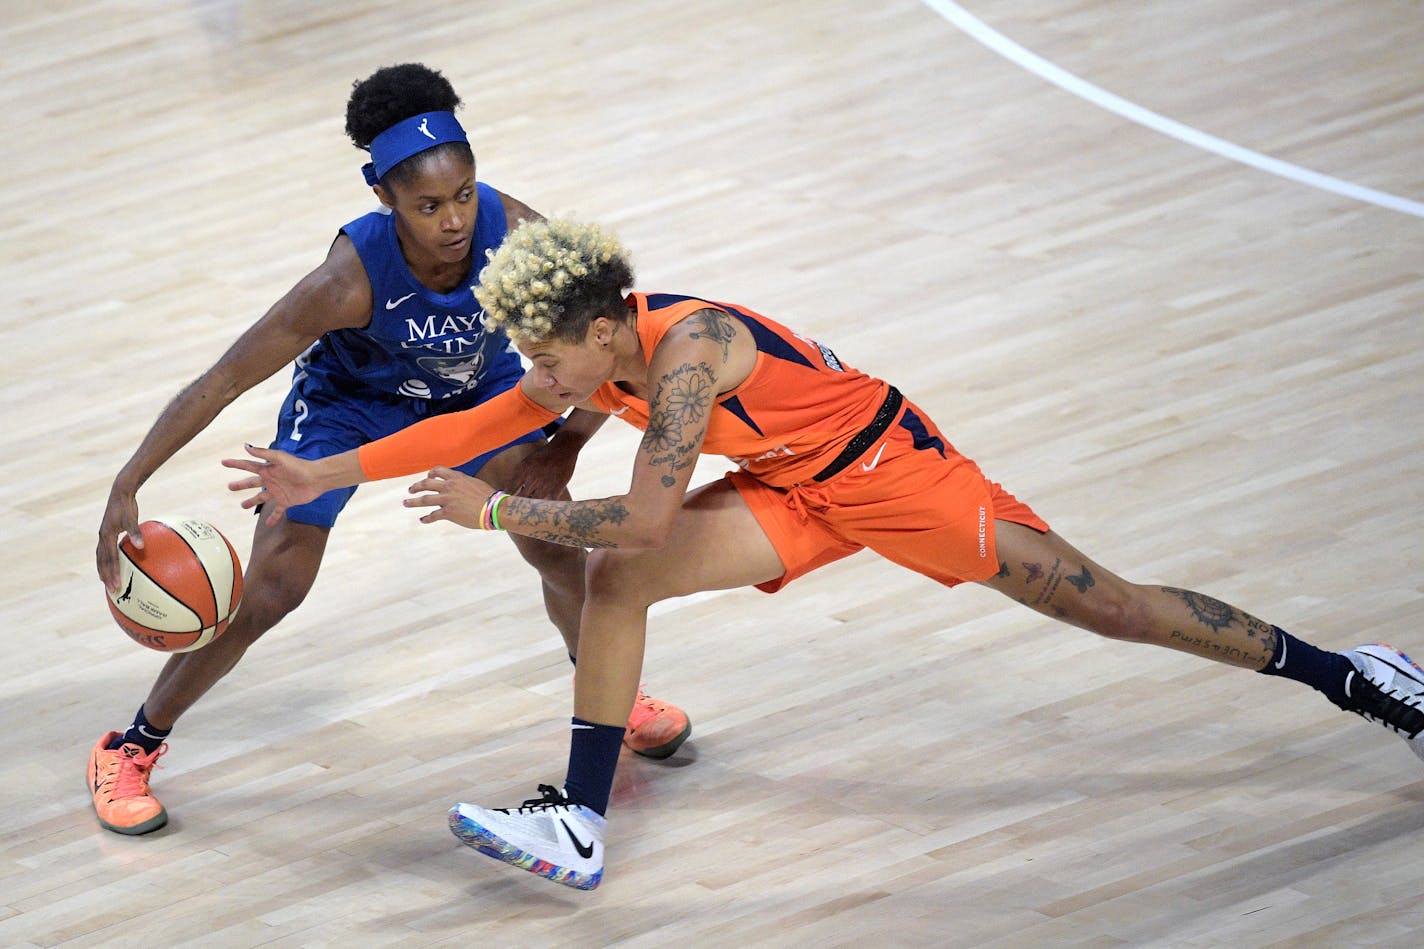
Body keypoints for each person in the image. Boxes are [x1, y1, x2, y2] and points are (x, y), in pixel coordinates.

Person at [226, 217, 1424, 891]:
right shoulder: (598, 357)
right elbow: (474, 426)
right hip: (797, 485)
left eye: (546, 360)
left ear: (602, 333)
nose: (535, 383)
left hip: (894, 476)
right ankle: (576, 821)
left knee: (1111, 608)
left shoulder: (687, 354)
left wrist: (496, 515)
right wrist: (318, 473)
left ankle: (1351, 673)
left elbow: (638, 511)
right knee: (613, 581)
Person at [88, 69, 691, 838]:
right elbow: (225, 377)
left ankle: (607, 699)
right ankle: (130, 744)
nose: (454, 221)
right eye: (429, 205)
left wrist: (566, 446)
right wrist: (127, 480)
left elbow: (627, 344)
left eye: (465, 194)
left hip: (476, 392)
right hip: (348, 406)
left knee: (554, 538)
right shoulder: (346, 279)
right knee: (274, 586)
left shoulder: (517, 232)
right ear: (386, 198)